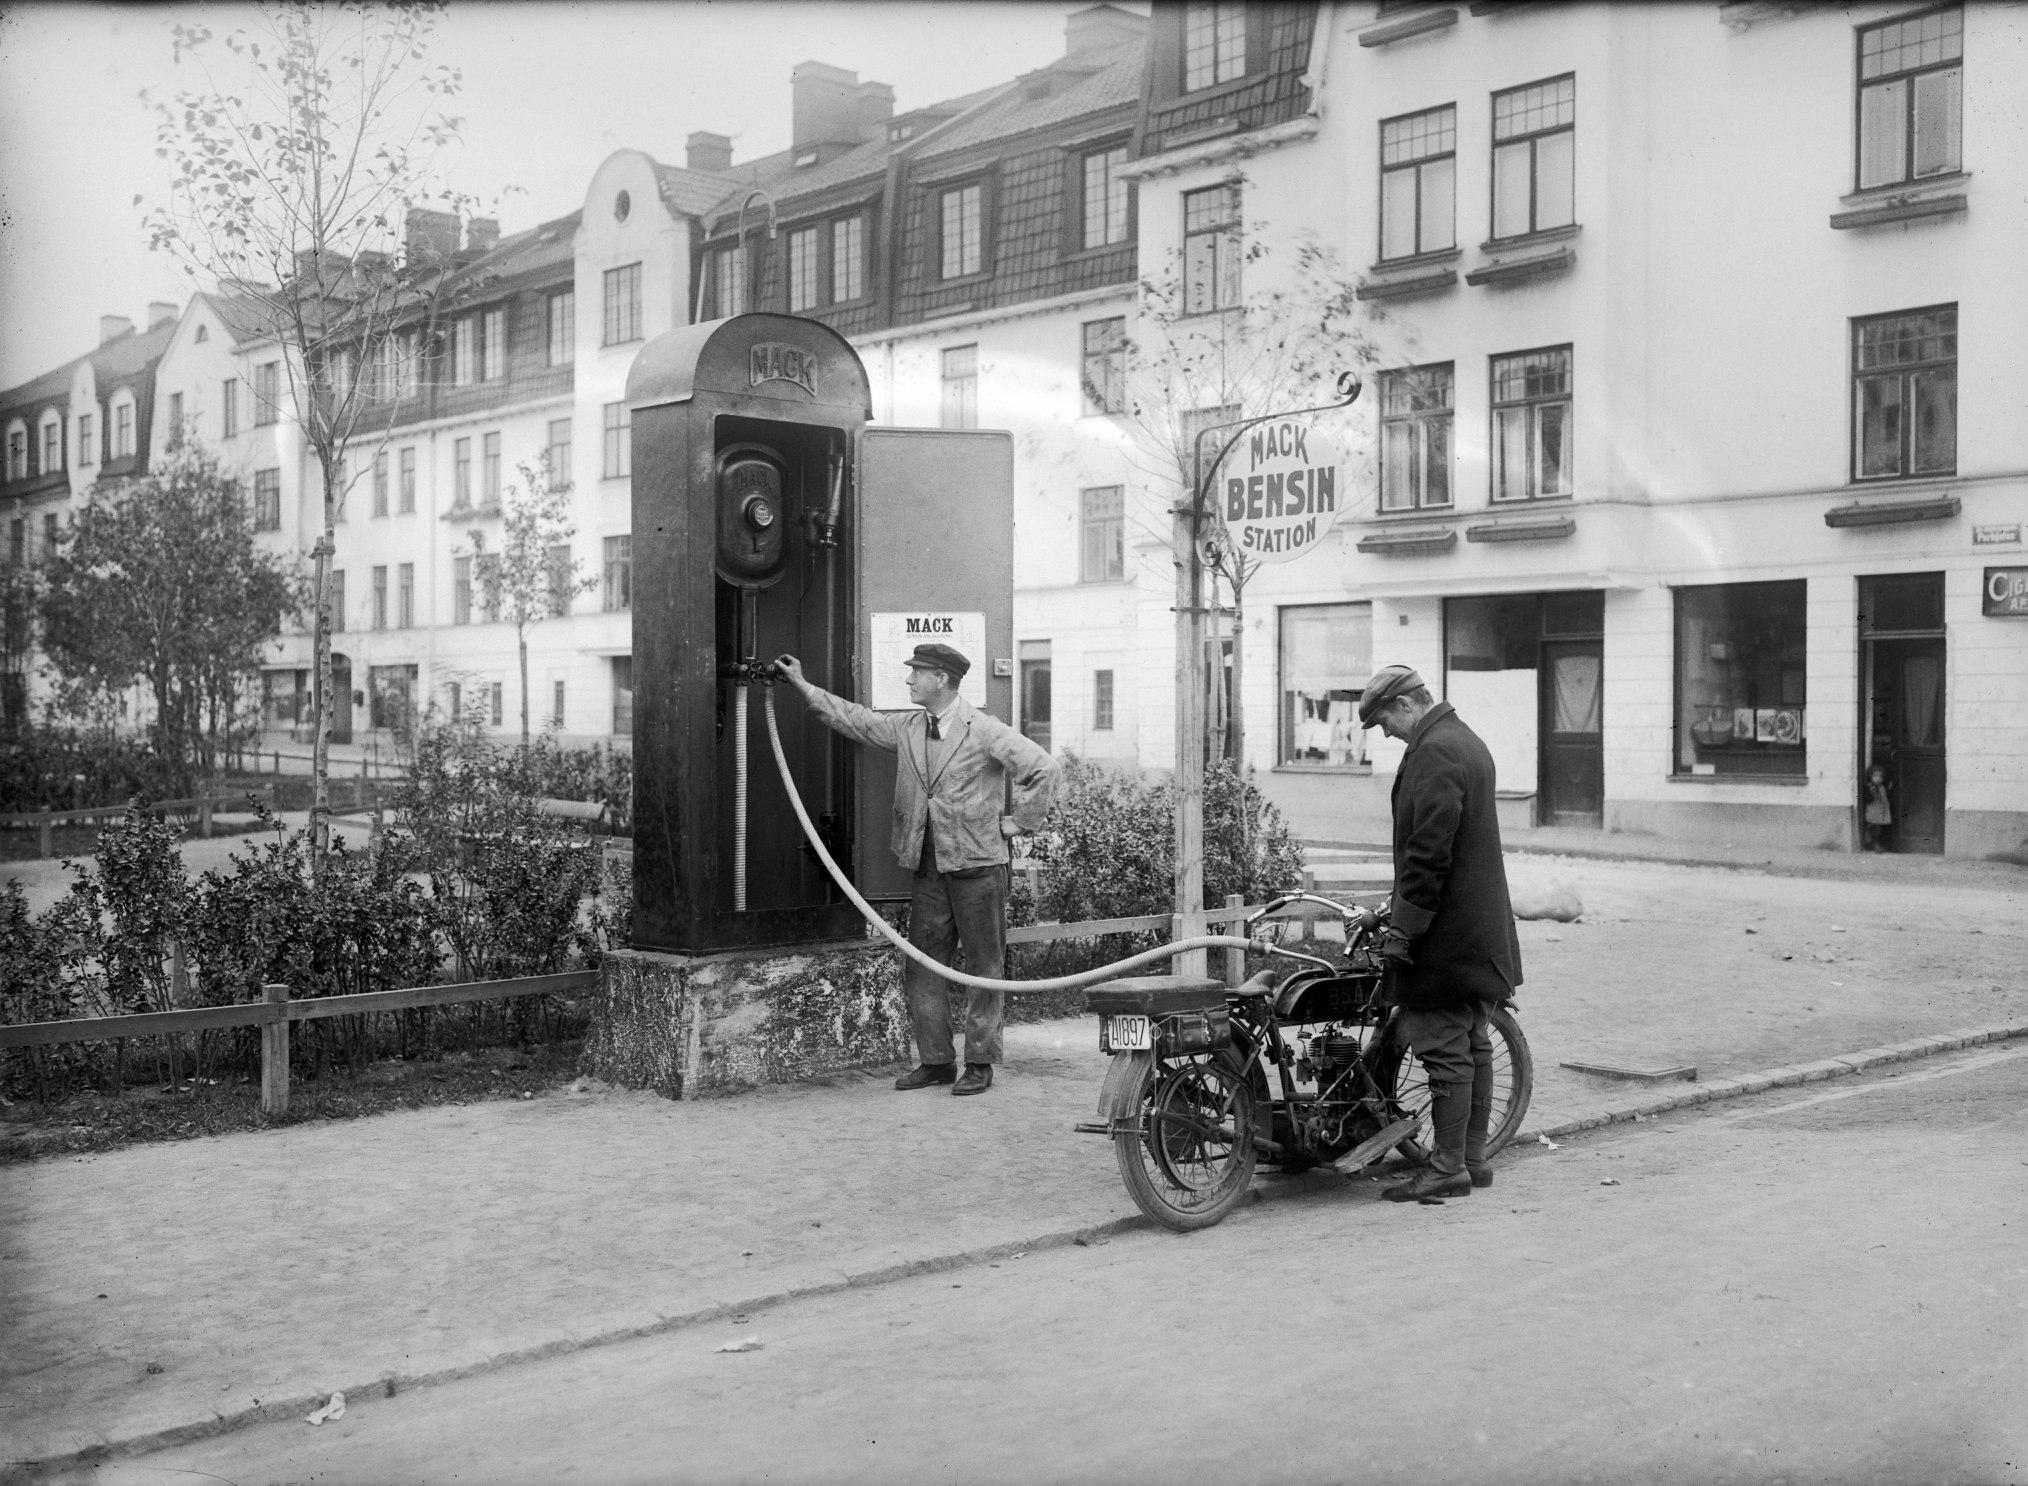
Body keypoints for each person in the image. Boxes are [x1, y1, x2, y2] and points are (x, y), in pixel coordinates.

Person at [774, 643, 1060, 1097]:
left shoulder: (984, 729)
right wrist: (804, 686)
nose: (909, 680)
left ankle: (980, 1062)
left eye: (917, 673)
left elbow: (1043, 769)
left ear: (942, 679)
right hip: (927, 866)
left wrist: (1019, 823)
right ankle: (937, 1061)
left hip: (979, 866)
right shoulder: (908, 728)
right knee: (923, 965)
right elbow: (857, 720)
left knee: (985, 966)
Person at [1359, 664, 1523, 1204]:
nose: (1386, 733)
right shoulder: (1466, 740)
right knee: (1472, 1044)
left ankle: (1447, 1166)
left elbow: (1429, 853)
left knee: (1441, 1045)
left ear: (1406, 705)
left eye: (1384, 721)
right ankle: (1472, 1161)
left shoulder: (1434, 751)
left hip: (1445, 937)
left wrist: (1401, 930)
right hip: (1476, 932)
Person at [1863, 764, 1893, 852]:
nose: (1878, 779)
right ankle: (1871, 843)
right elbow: (1868, 798)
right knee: (1872, 826)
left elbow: (1885, 796)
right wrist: (1870, 792)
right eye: (1875, 776)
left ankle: (1875, 843)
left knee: (1879, 828)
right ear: (1870, 776)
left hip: (1881, 810)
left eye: (1880, 776)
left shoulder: (1882, 787)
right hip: (1872, 810)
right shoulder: (1870, 787)